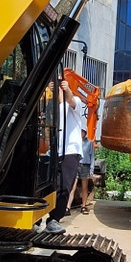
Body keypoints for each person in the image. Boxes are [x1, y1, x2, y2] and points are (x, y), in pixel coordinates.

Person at [45, 75, 84, 234]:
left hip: (70, 151)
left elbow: (71, 101)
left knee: (64, 186)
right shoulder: (51, 106)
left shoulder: (75, 102)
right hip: (55, 150)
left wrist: (66, 89)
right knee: (48, 185)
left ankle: (54, 219)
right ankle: (39, 217)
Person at [68, 128, 95, 214]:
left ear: (85, 133)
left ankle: (83, 206)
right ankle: (67, 207)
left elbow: (92, 157)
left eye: (82, 132)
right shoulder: (75, 143)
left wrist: (91, 170)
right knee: (73, 187)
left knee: (84, 187)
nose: (80, 133)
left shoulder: (89, 143)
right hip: (76, 165)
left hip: (85, 166)